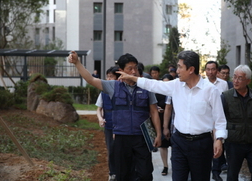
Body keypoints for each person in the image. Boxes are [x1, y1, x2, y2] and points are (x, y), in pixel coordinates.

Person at [117, 50, 227, 181]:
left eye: (180, 67)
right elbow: (154, 85)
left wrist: (219, 140)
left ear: (191, 69)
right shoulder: (176, 85)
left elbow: (220, 119)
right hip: (179, 142)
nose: (177, 70)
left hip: (201, 145)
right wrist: (133, 78)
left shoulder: (210, 90)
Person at [68, 51, 162, 181]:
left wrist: (158, 134)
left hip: (142, 138)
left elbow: (153, 112)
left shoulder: (145, 86)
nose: (134, 72)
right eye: (130, 69)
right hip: (121, 138)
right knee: (122, 175)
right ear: (121, 70)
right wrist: (77, 63)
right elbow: (90, 79)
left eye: (135, 68)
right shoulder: (113, 86)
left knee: (145, 174)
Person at [221, 65, 252, 181]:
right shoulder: (226, 96)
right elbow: (220, 119)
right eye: (234, 77)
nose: (235, 81)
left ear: (248, 81)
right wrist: (219, 139)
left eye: (240, 78)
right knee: (232, 174)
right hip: (233, 142)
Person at [95, 66, 120, 181]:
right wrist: (100, 118)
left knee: (121, 150)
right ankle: (112, 173)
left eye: (111, 77)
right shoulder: (103, 93)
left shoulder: (121, 92)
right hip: (109, 126)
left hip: (121, 126)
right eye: (107, 76)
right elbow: (99, 109)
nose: (109, 79)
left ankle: (122, 172)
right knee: (111, 150)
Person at [205, 61, 228, 181]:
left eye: (213, 69)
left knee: (218, 146)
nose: (210, 72)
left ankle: (216, 172)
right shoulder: (202, 84)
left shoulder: (223, 84)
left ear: (217, 71)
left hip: (218, 120)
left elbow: (226, 102)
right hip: (206, 120)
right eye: (208, 69)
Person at [157, 73, 174, 176]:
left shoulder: (175, 92)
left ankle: (175, 165)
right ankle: (165, 166)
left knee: (175, 145)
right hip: (161, 120)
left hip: (174, 121)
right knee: (163, 146)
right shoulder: (157, 93)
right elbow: (153, 105)